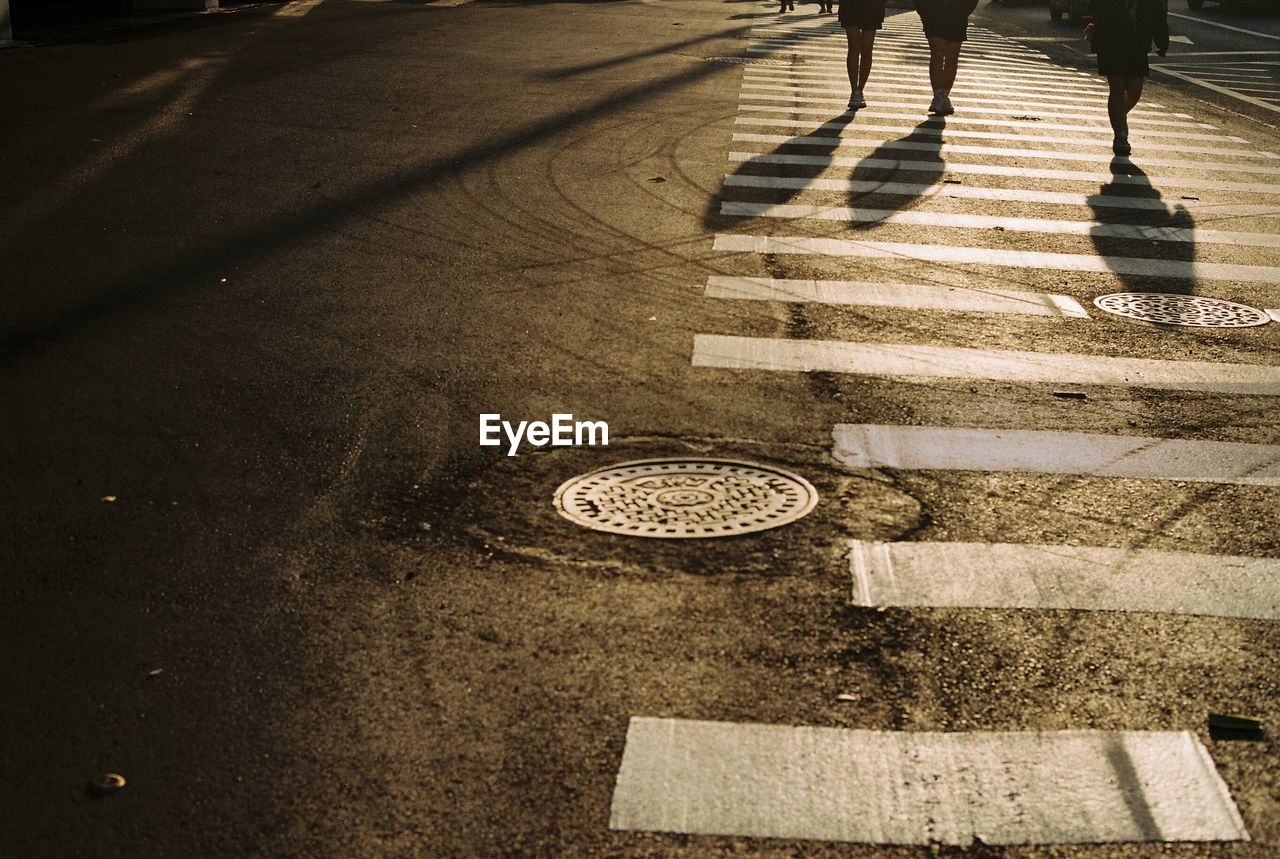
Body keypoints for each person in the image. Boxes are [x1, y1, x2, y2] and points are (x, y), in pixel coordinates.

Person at [1085, 0, 1169, 155]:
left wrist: (1162, 39)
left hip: (1137, 42)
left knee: (1135, 90)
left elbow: (1157, 11)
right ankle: (1120, 135)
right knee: (1117, 87)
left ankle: (1118, 117)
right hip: (1111, 40)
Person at [913, 0, 980, 115]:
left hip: (957, 13)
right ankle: (937, 96)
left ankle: (945, 96)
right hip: (933, 13)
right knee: (937, 53)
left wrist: (965, 11)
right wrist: (924, 11)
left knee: (952, 57)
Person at [838, 0, 887, 110]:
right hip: (850, 5)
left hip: (873, 6)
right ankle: (854, 91)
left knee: (866, 48)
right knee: (854, 46)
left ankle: (860, 90)